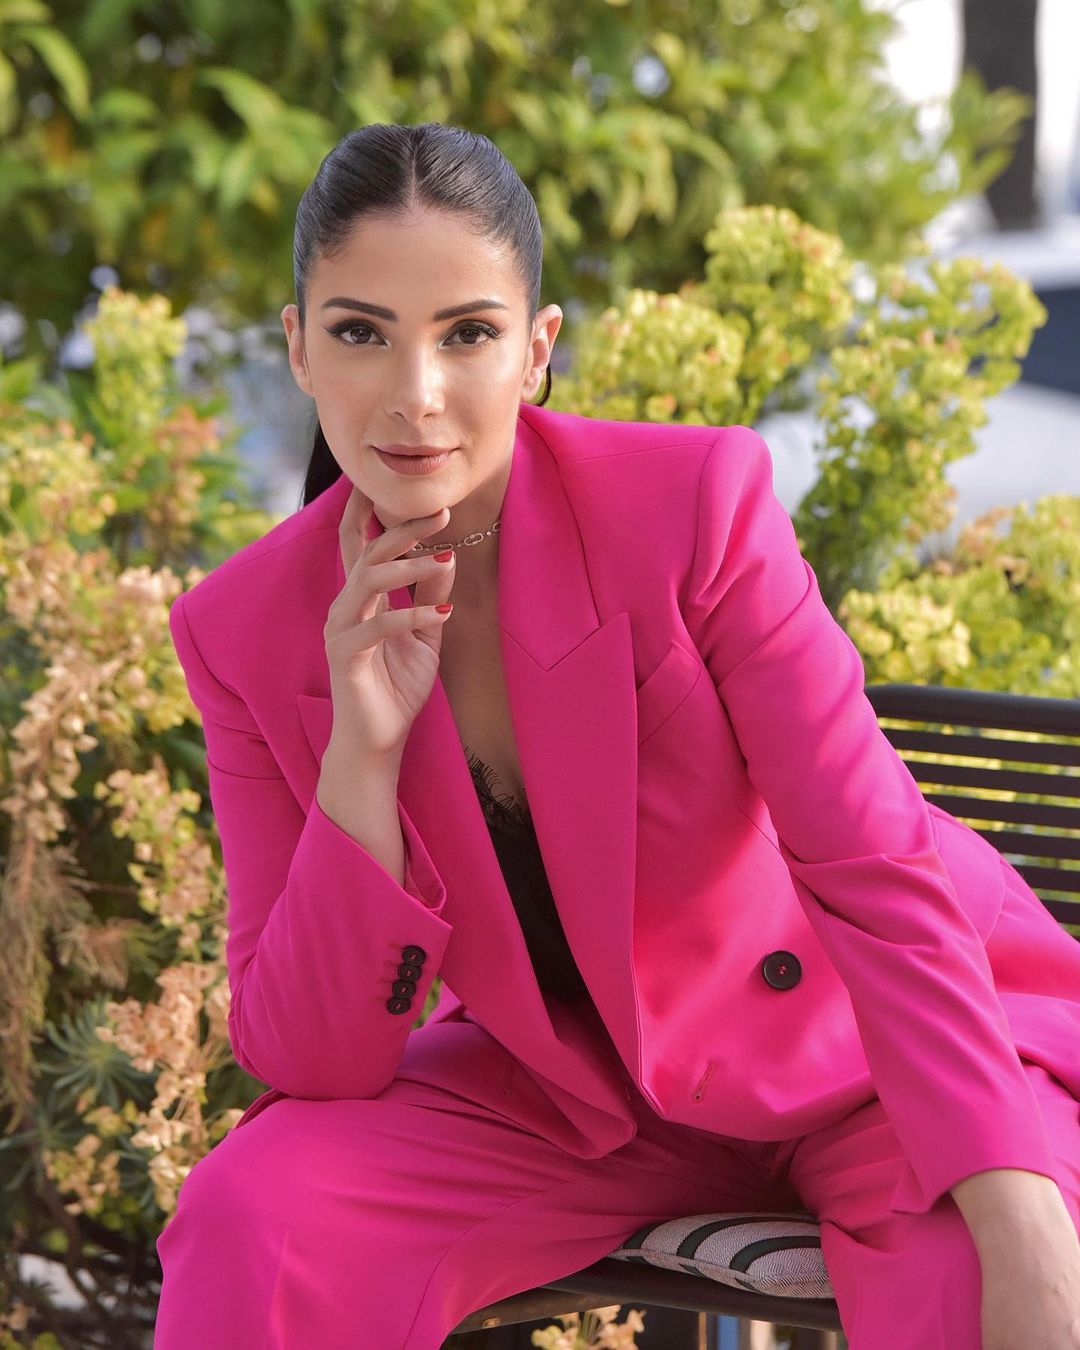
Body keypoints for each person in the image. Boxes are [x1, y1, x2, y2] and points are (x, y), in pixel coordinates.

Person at [153, 122, 1080, 1350]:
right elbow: (310, 1056)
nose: (415, 393)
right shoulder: (244, 631)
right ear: (298, 347)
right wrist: (360, 761)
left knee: (981, 1269)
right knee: (257, 1216)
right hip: (572, 1098)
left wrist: (1021, 1214)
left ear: (537, 351)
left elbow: (871, 860)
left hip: (861, 1051)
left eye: (467, 333)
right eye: (362, 332)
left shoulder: (691, 509)